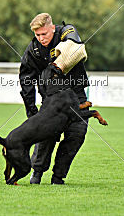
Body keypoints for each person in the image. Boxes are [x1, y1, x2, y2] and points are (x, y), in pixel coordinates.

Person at [19, 13, 90, 184]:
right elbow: (26, 81)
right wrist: (31, 111)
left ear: (52, 27)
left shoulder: (65, 32)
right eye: (38, 35)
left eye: (45, 34)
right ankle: (36, 174)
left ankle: (58, 177)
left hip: (76, 95)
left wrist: (69, 45)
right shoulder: (33, 50)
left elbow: (73, 36)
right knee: (46, 136)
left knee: (77, 135)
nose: (41, 38)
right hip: (51, 99)